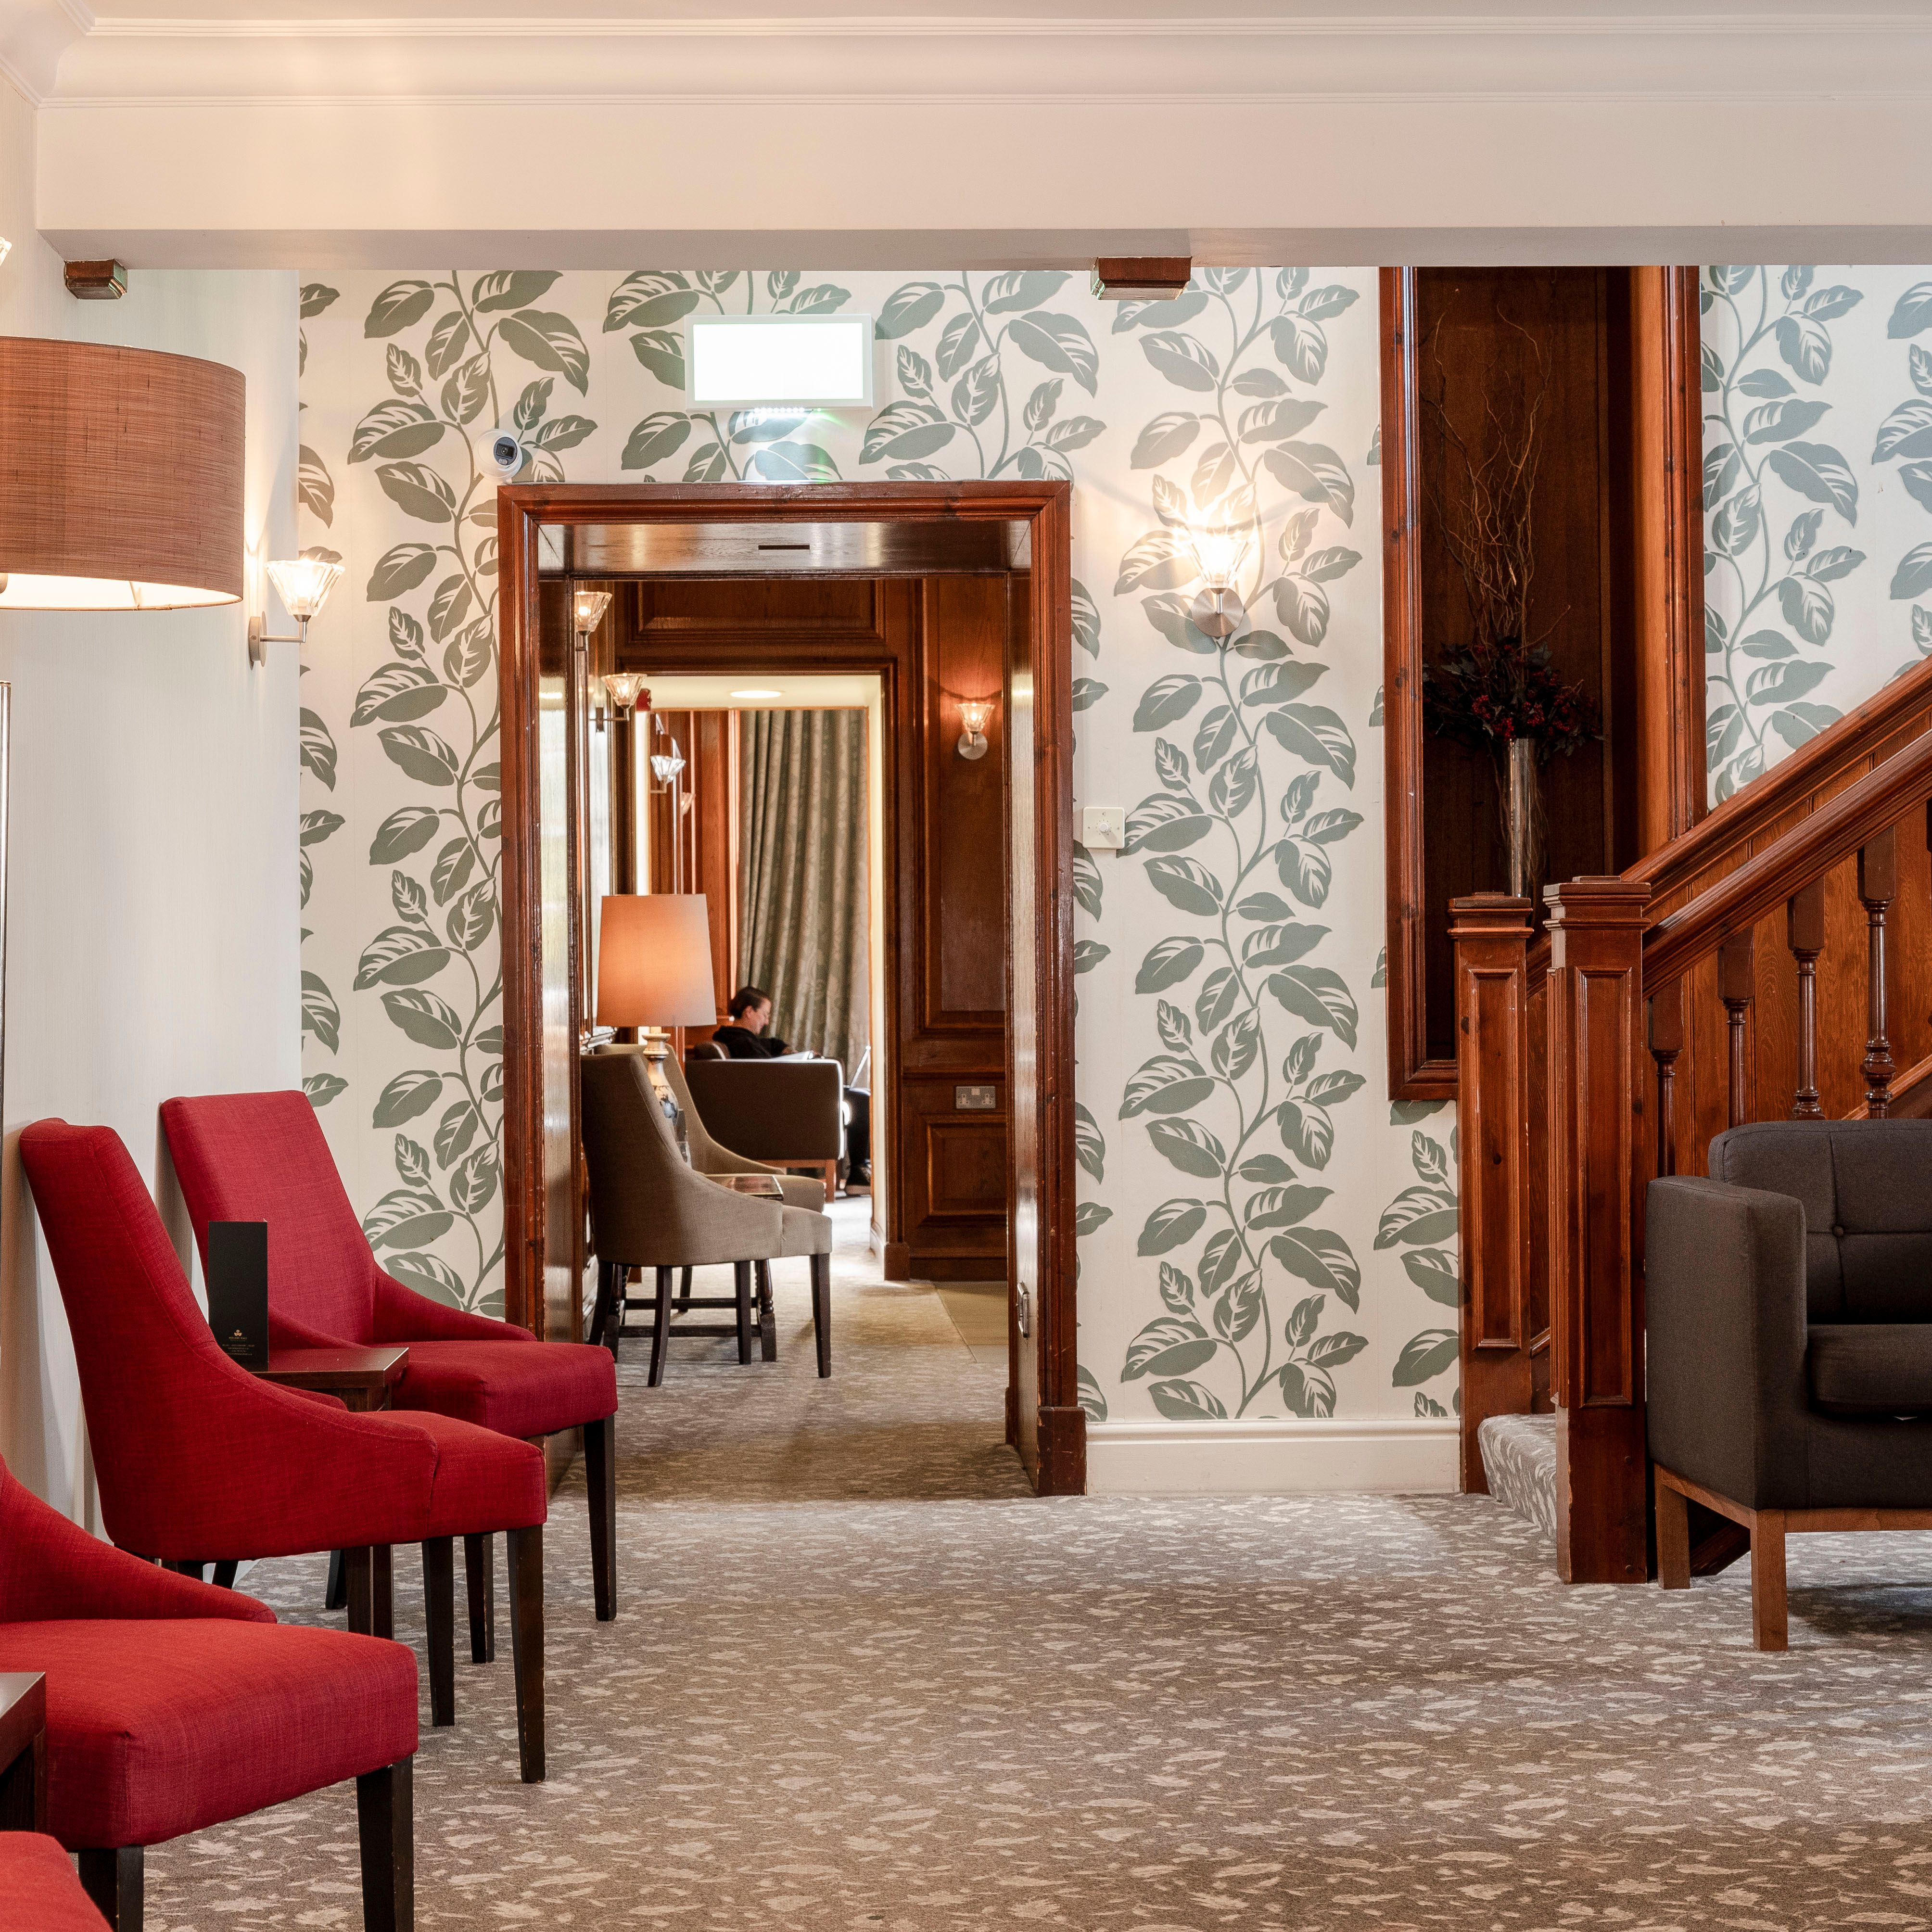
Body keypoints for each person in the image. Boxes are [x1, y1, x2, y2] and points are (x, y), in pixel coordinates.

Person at [712, 986, 791, 1059]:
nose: (767, 1022)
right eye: (765, 1015)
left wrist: (785, 1049)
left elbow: (773, 1044)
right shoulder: (745, 1045)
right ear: (749, 1012)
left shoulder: (730, 1036)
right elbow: (772, 1071)